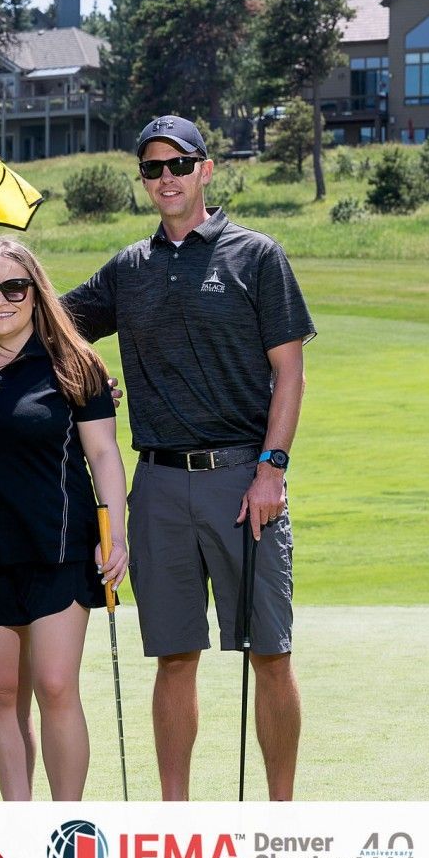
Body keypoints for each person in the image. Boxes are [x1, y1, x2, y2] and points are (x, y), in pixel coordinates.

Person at [63, 115, 315, 801]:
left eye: (177, 164)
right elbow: (49, 325)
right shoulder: (128, 270)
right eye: (152, 168)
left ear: (205, 169)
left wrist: (271, 469)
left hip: (242, 478)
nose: (165, 177)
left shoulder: (255, 255)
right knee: (173, 657)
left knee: (268, 654)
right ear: (142, 180)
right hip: (159, 487)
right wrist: (88, 368)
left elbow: (288, 374)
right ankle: (176, 819)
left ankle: (280, 817)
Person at [0, 236, 128, 801]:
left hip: (61, 548)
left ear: (35, 293)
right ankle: (18, 825)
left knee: (54, 685)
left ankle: (65, 827)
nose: (0, 300)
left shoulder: (76, 364)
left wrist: (115, 531)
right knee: (2, 692)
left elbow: (104, 456)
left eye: (14, 288)